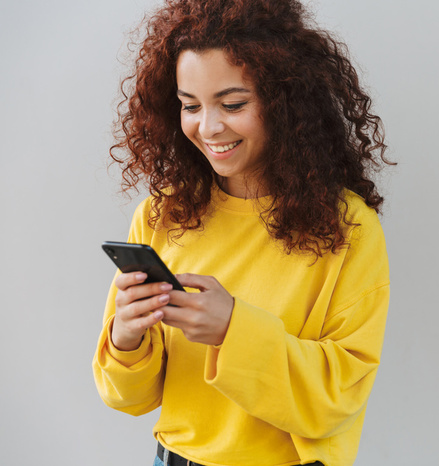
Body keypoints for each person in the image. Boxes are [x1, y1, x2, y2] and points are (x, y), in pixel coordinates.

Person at [92, 0, 392, 465]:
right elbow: (128, 398)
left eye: (232, 104)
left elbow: (340, 395)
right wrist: (126, 338)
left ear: (285, 100)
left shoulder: (347, 228)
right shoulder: (161, 215)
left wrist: (232, 330)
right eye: (189, 105)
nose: (208, 127)